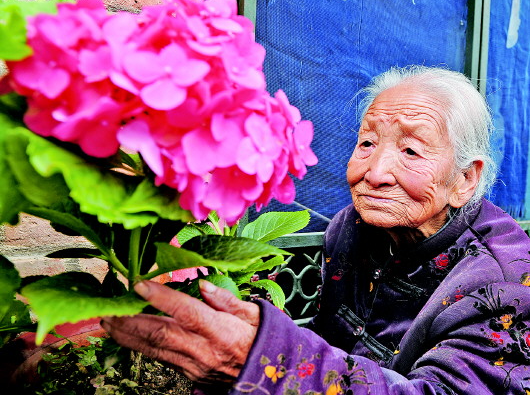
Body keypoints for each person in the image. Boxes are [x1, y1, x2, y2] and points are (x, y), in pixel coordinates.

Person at [102, 65, 530, 394]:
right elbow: (334, 346)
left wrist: (266, 360)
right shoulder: (351, 227)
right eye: (366, 143)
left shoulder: (507, 284)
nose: (375, 173)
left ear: (465, 180)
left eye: (411, 151)